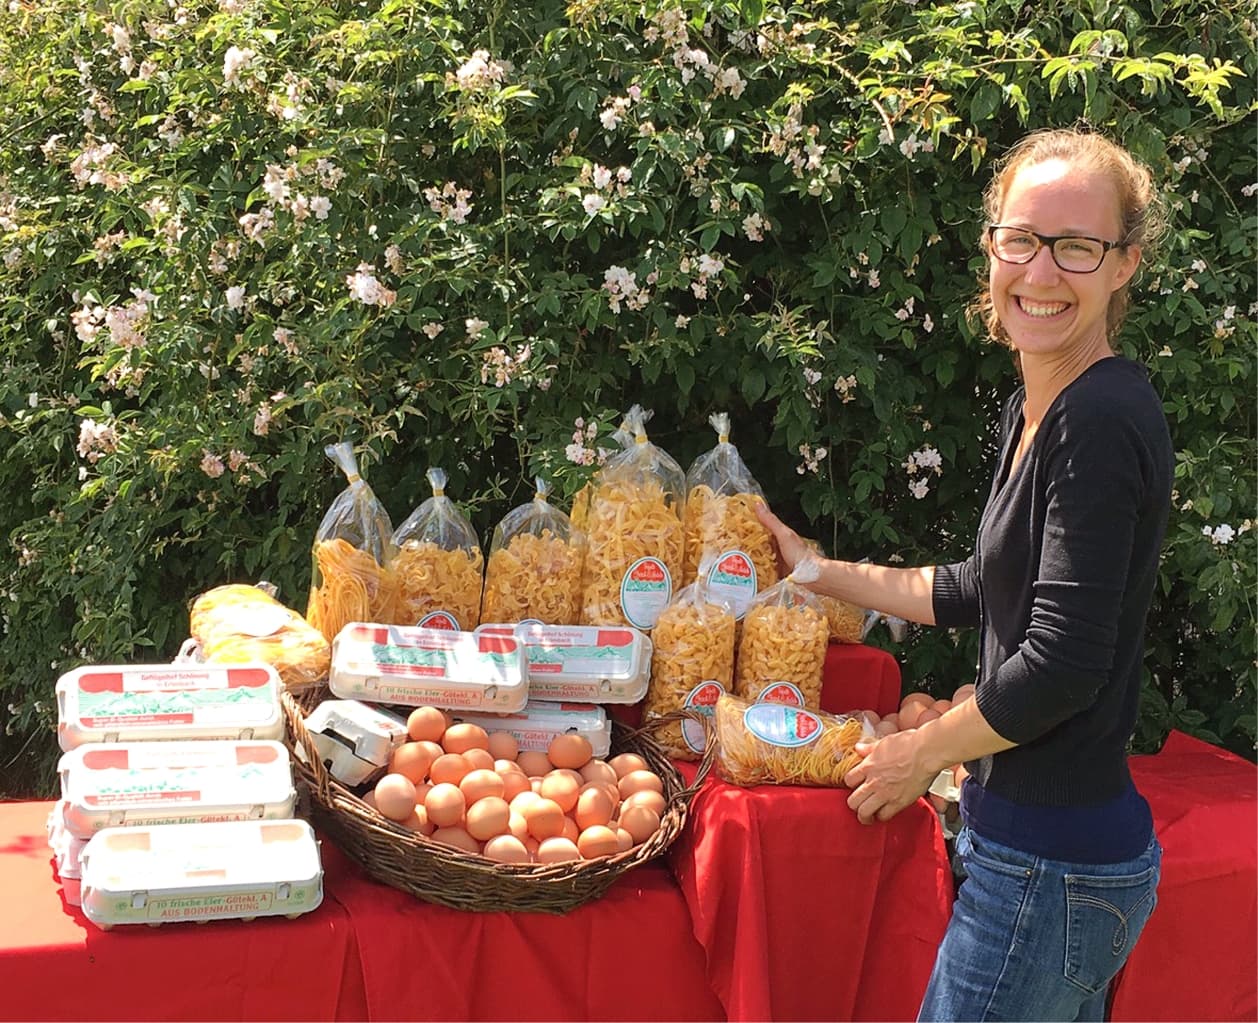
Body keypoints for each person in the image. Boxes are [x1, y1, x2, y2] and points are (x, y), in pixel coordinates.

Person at [756, 126, 1172, 1022]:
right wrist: (817, 571)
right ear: (992, 247)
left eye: (1076, 246)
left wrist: (919, 753)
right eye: (1020, 239)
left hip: (1048, 866)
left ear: (1124, 264)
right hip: (1054, 862)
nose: (1041, 271)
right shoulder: (1045, 401)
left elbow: (1062, 663)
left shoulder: (1096, 419)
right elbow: (980, 587)